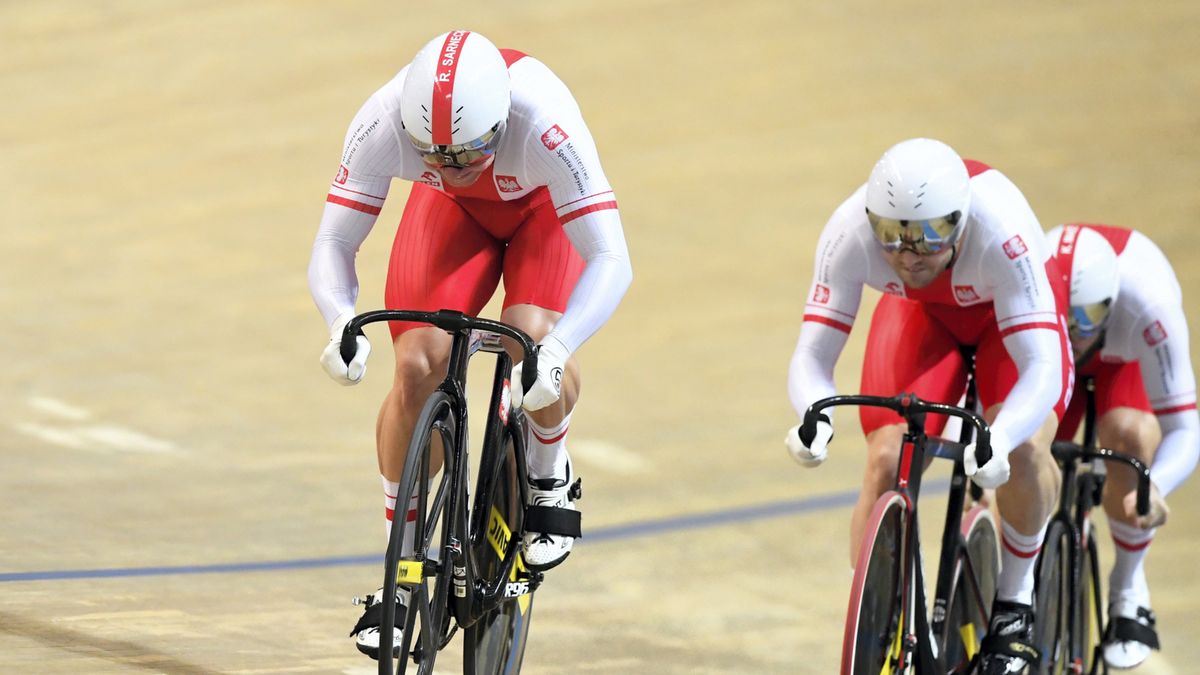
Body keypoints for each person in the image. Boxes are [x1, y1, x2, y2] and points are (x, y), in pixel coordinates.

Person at [307, 30, 633, 659]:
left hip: (542, 215)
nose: (451, 167)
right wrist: (338, 322)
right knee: (416, 364)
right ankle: (399, 577)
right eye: (434, 155)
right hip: (453, 216)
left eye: (465, 154)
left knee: (532, 343)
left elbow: (612, 258)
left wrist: (561, 347)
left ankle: (547, 472)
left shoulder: (546, 123)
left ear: (501, 122)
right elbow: (333, 243)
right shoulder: (385, 122)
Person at [785, 138, 1073, 673]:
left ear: (961, 222)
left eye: (928, 235)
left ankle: (1014, 604)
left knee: (1026, 448)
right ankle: (878, 617)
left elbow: (1041, 369)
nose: (907, 253)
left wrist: (1001, 436)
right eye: (890, 235)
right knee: (886, 456)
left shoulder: (1002, 235)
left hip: (1007, 320)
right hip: (925, 316)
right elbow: (812, 354)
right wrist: (815, 414)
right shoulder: (848, 233)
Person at [1045, 223, 1198, 668]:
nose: (1077, 332)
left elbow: (1185, 430)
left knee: (1129, 437)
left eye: (1088, 319)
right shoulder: (1035, 290)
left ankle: (1128, 590)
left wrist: (1153, 487)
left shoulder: (1149, 305)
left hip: (1123, 360)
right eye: (1067, 319)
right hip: (1047, 350)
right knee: (1026, 457)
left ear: (1110, 305)